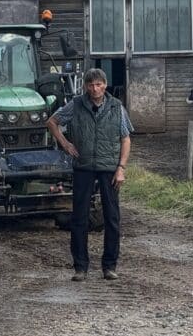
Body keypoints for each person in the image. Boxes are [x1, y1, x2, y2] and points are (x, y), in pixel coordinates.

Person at [46, 68, 133, 282]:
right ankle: (80, 267)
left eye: (99, 84)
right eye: (91, 85)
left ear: (105, 85)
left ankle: (109, 266)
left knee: (112, 218)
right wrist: (65, 144)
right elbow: (52, 122)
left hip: (109, 168)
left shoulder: (116, 107)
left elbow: (126, 138)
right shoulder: (76, 105)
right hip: (83, 166)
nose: (95, 89)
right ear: (85, 86)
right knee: (79, 218)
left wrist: (121, 168)